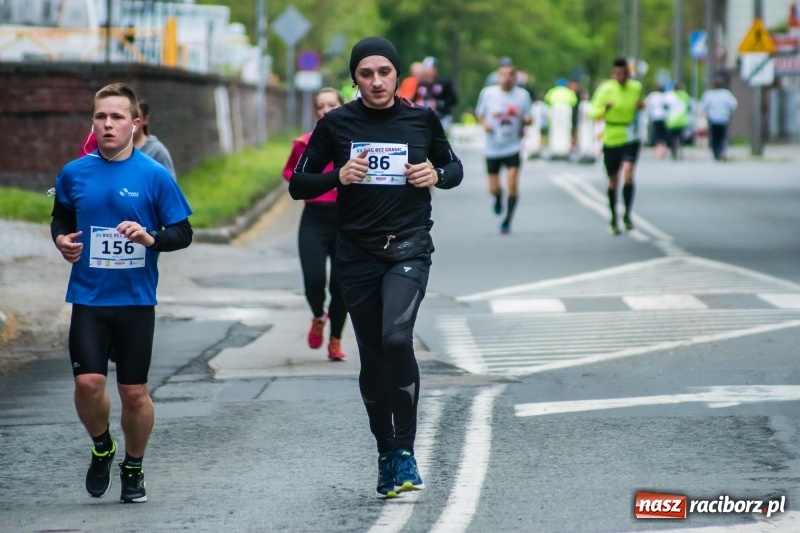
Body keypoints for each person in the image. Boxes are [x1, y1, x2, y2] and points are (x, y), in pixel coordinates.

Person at [288, 36, 463, 499]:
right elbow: (299, 184)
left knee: (395, 338)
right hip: (357, 253)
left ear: (395, 73)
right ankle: (386, 452)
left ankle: (405, 448)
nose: (376, 81)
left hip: (407, 248)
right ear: (355, 79)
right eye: (366, 74)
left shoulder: (421, 119)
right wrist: (336, 176)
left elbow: (454, 166)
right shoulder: (337, 124)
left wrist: (436, 175)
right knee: (372, 356)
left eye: (384, 71)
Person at [50, 82, 193, 504]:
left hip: (135, 301)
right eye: (101, 117)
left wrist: (151, 238)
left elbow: (183, 233)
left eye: (117, 117)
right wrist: (61, 241)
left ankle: (133, 464)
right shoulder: (75, 173)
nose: (108, 124)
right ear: (93, 122)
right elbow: (61, 220)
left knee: (134, 393)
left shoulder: (154, 176)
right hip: (89, 299)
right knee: (89, 384)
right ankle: (102, 446)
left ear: (136, 123)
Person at [283, 87, 348, 361]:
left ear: (341, 107)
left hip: (346, 219)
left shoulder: (355, 143)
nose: (326, 110)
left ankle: (335, 340)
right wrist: (312, 185)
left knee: (341, 286)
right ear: (315, 111)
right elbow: (289, 172)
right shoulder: (304, 143)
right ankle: (318, 314)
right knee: (314, 280)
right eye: (321, 106)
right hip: (314, 218)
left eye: (331, 104)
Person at [475, 57, 533, 234]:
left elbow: (529, 117)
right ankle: (498, 198)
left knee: (512, 184)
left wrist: (527, 121)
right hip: (493, 147)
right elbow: (479, 114)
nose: (507, 78)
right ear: (498, 76)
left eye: (510, 75)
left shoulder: (523, 95)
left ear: (515, 77)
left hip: (513, 146)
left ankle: (507, 220)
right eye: (503, 74)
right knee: (494, 188)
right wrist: (485, 124)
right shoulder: (488, 93)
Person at [588, 57, 644, 235]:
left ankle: (627, 214)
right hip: (611, 137)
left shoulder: (636, 88)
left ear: (629, 73)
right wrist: (605, 108)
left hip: (630, 135)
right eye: (618, 74)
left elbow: (640, 106)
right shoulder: (606, 89)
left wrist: (641, 106)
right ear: (613, 74)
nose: (621, 77)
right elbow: (592, 112)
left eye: (624, 74)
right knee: (613, 179)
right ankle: (613, 218)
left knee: (628, 172)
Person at [413, 56, 459, 131]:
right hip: (426, 117)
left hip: (443, 117)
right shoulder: (421, 84)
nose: (431, 71)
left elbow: (454, 99)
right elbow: (415, 98)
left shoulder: (444, 83)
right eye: (428, 68)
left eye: (433, 68)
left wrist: (439, 103)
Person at [134, 99, 176, 179]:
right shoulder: (113, 149)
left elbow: (169, 188)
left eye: (136, 118)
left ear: (145, 120)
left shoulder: (157, 151)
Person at [700, 76, 738, 161]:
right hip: (724, 118)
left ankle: (717, 153)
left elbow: (703, 106)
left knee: (715, 138)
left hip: (713, 119)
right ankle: (722, 151)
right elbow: (733, 104)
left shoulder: (709, 94)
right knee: (722, 137)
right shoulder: (726, 94)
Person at [664, 82, 691, 160]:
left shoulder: (669, 95)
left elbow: (665, 107)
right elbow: (689, 106)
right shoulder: (684, 95)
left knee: (672, 138)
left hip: (671, 121)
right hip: (682, 120)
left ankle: (674, 152)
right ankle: (680, 151)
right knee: (681, 138)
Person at [644, 85, 668, 159]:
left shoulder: (652, 96)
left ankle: (658, 150)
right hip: (663, 117)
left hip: (655, 117)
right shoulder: (664, 96)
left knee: (656, 134)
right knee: (662, 135)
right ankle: (663, 149)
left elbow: (646, 104)